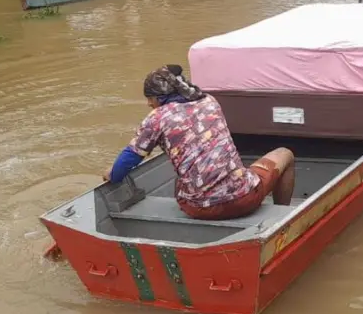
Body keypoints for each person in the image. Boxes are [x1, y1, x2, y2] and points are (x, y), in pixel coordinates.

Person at [106, 65, 296, 220]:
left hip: (195, 208)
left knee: (182, 177)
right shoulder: (210, 101)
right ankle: (282, 217)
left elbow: (129, 159)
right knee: (284, 153)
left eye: (150, 98)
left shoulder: (155, 119)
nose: (149, 103)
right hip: (243, 200)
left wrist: (112, 174)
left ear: (160, 97)